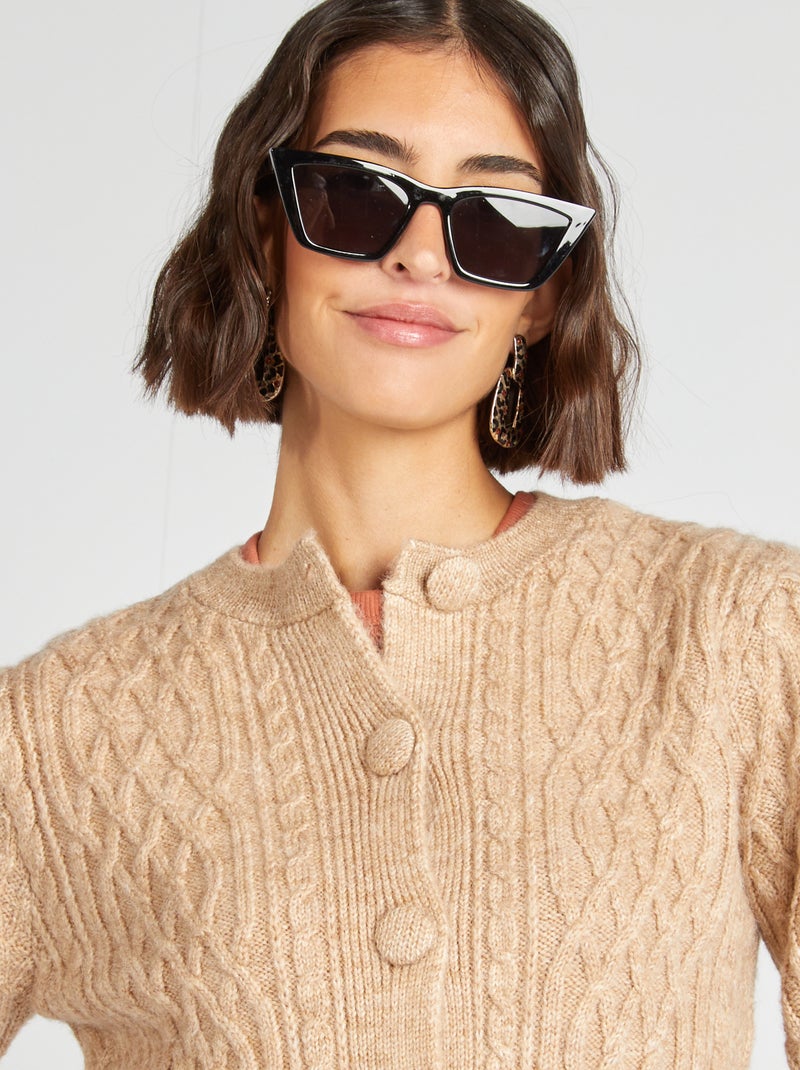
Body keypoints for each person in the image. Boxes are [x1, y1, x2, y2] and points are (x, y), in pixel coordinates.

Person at [1, 0, 798, 1067]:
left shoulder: (737, 636)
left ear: (541, 292)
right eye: (354, 194)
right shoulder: (56, 736)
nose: (422, 254)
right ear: (266, 231)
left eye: (493, 219)